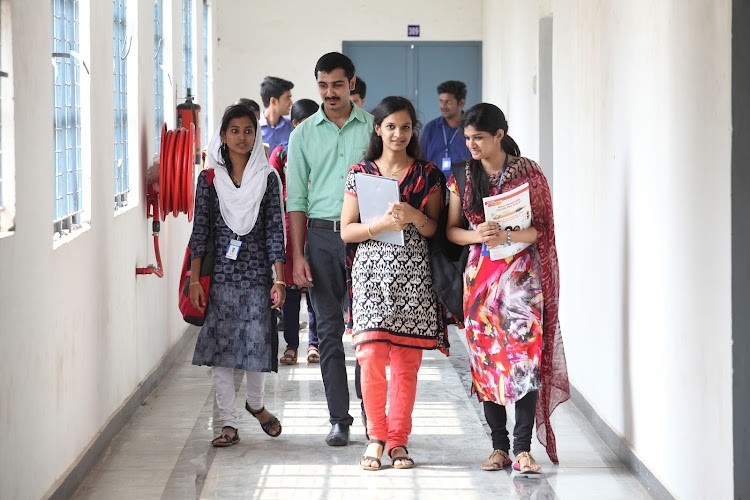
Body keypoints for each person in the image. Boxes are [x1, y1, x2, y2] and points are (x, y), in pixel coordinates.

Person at [445, 103, 569, 474]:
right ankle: (498, 447)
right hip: (480, 280)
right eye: (468, 139)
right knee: (486, 363)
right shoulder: (463, 175)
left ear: (500, 135)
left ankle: (522, 449)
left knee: (524, 362)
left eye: (479, 137)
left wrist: (509, 233)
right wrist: (476, 234)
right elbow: (451, 231)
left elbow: (542, 229)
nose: (472, 145)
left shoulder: (529, 173)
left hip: (523, 282)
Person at [340, 96, 446, 471]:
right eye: (390, 126)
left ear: (412, 130)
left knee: (405, 364)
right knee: (369, 357)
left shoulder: (429, 174)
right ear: (377, 129)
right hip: (371, 277)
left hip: (413, 279)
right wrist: (379, 226)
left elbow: (435, 229)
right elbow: (346, 230)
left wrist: (416, 215)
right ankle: (376, 437)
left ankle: (399, 440)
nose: (398, 134)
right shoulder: (361, 172)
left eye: (404, 127)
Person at [286, 52, 374, 447]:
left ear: (351, 83)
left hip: (369, 238)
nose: (330, 92)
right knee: (328, 329)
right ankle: (339, 417)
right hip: (321, 239)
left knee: (370, 331)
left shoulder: (374, 128)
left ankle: (373, 416)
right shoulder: (302, 135)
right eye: (323, 85)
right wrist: (299, 254)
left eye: (337, 84)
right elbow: (297, 201)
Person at [188, 102, 287, 447]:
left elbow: (275, 229)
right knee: (222, 353)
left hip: (257, 275)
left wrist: (279, 277)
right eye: (234, 131)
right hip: (221, 277)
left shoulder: (268, 177)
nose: (242, 137)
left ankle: (256, 404)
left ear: (256, 134)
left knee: (257, 346)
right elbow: (200, 230)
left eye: (248, 130)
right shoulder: (210, 178)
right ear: (223, 135)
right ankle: (228, 425)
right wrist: (193, 279)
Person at [268, 98, 321, 365]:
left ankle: (315, 343)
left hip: (319, 229)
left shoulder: (326, 153)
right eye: (303, 123)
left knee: (314, 291)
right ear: (295, 124)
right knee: (289, 291)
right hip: (290, 232)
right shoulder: (281, 153)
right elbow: (273, 194)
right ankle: (291, 345)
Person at [420, 80, 472, 171]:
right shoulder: (430, 128)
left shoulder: (471, 129)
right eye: (441, 101)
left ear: (461, 103)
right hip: (434, 183)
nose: (443, 106)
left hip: (464, 183)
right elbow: (421, 159)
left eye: (448, 102)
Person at [259, 76, 294, 151]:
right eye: (287, 98)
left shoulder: (291, 128)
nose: (291, 102)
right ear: (273, 101)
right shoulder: (255, 128)